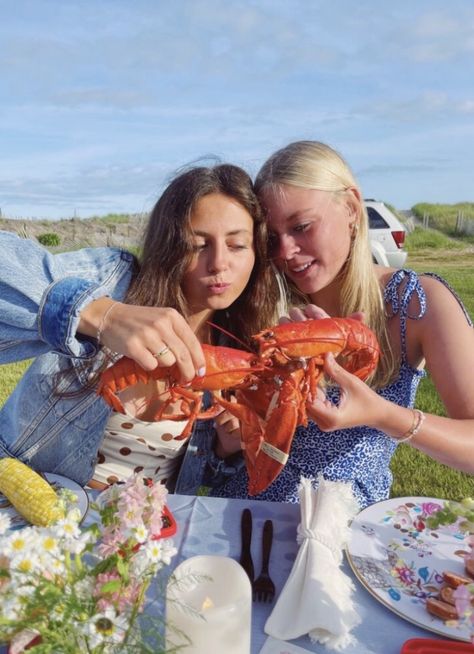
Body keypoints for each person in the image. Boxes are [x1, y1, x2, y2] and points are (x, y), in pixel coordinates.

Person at [212, 140, 474, 508]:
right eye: (272, 238)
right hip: (247, 513)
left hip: (348, 527)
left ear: (351, 207)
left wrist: (384, 415)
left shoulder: (416, 303)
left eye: (301, 226)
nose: (285, 252)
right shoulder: (260, 304)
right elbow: (220, 454)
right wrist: (228, 441)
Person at [0, 163, 279, 493]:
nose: (219, 262)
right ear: (170, 245)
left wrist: (224, 450)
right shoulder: (113, 282)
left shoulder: (241, 346)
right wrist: (99, 314)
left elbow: (200, 475)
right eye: (198, 244)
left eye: (237, 245)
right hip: (31, 519)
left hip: (142, 535)